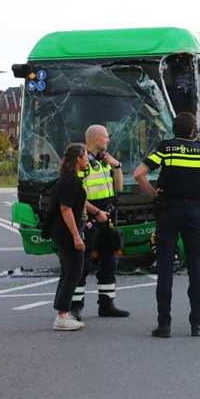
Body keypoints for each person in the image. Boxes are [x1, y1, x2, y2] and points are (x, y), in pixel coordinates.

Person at [133, 112, 200, 338]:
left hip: (168, 210)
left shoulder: (166, 148)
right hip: (193, 211)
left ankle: (164, 324)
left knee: (165, 267)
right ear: (193, 130)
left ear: (174, 129)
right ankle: (197, 322)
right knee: (195, 266)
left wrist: (154, 196)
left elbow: (139, 174)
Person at [46, 143, 109, 331]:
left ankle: (62, 312)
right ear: (78, 159)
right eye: (85, 156)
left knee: (67, 273)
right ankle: (62, 316)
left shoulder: (70, 179)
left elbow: (77, 204)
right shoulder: (70, 181)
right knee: (74, 274)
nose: (87, 160)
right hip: (66, 233)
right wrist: (76, 236)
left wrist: (97, 212)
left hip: (63, 232)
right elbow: (65, 209)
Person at [70, 125, 130, 320]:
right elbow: (76, 196)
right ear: (96, 140)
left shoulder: (105, 161)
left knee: (110, 260)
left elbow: (117, 188)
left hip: (106, 216)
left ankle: (107, 304)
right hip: (89, 217)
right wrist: (96, 212)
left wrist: (117, 166)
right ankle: (75, 307)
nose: (108, 141)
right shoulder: (81, 162)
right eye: (106, 138)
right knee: (83, 263)